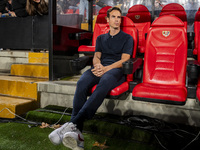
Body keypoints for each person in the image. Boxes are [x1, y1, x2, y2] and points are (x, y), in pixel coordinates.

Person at [48, 7, 133, 150]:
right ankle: (77, 134)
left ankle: (72, 123)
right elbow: (97, 55)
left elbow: (125, 59)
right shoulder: (100, 38)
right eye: (113, 17)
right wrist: (98, 65)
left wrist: (106, 68)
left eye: (119, 17)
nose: (117, 20)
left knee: (105, 81)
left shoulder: (127, 38)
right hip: (100, 68)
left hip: (115, 71)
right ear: (107, 19)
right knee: (82, 82)